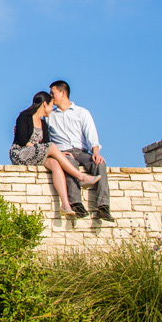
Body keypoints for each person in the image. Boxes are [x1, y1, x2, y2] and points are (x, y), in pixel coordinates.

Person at [12, 91, 99, 216]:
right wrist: (43, 148)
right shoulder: (24, 116)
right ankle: (81, 177)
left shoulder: (43, 123)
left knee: (55, 164)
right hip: (20, 153)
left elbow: (47, 143)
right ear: (44, 105)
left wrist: (60, 154)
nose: (52, 109)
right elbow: (22, 140)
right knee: (52, 147)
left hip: (36, 154)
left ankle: (65, 204)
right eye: (51, 105)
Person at [46, 80, 114, 222]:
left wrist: (96, 153)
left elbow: (91, 134)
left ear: (63, 93)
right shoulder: (50, 116)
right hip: (64, 152)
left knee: (100, 164)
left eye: (53, 93)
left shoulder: (82, 112)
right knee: (69, 163)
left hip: (81, 151)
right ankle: (76, 204)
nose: (50, 96)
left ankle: (103, 206)